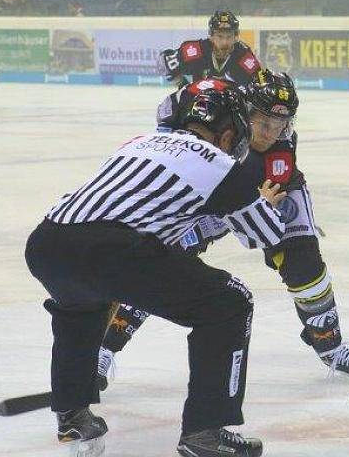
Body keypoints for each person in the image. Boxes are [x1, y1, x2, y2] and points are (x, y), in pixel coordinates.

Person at [26, 85, 282, 457]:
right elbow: (265, 233)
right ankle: (204, 433)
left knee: (80, 307)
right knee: (229, 303)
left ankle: (73, 413)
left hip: (48, 242)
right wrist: (263, 203)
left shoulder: (137, 142)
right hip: (115, 249)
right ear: (227, 134)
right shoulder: (220, 164)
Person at [96, 70, 349, 388]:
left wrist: (259, 209)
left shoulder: (281, 146)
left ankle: (331, 347)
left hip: (260, 190)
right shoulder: (216, 109)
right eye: (265, 124)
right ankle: (104, 348)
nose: (272, 133)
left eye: (281, 125)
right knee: (162, 257)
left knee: (303, 260)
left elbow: (262, 225)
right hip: (211, 187)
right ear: (246, 112)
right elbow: (168, 115)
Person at [161, 10, 262, 88]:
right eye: (220, 36)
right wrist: (183, 86)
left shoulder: (243, 55)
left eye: (229, 37)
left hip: (231, 107)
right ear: (211, 36)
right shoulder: (196, 50)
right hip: (199, 104)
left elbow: (261, 81)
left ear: (236, 36)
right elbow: (166, 58)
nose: (224, 42)